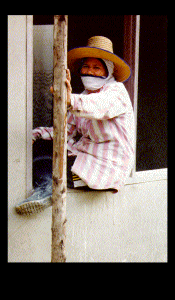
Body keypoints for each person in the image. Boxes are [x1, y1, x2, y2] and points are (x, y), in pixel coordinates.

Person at [16, 36, 135, 215]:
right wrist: (35, 135)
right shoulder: (84, 95)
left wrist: (68, 99)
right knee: (41, 148)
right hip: (85, 155)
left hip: (108, 167)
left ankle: (46, 189)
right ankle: (46, 187)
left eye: (97, 67)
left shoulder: (117, 92)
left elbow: (99, 106)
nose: (90, 71)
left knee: (50, 164)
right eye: (86, 66)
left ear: (108, 71)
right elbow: (64, 131)